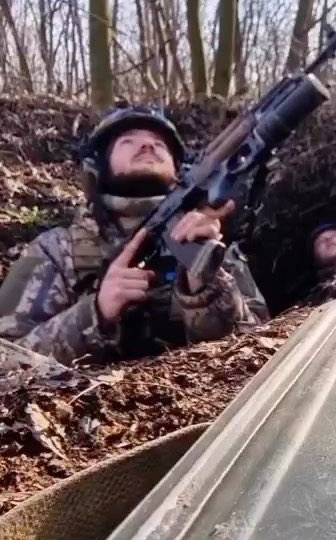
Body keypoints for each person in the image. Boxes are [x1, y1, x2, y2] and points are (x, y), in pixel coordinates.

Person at [0, 106, 269, 367]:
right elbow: (7, 359)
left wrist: (208, 288)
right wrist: (94, 314)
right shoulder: (56, 251)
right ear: (99, 168)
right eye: (128, 141)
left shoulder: (212, 242)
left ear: (179, 171)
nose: (148, 146)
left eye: (159, 144)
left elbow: (265, 353)